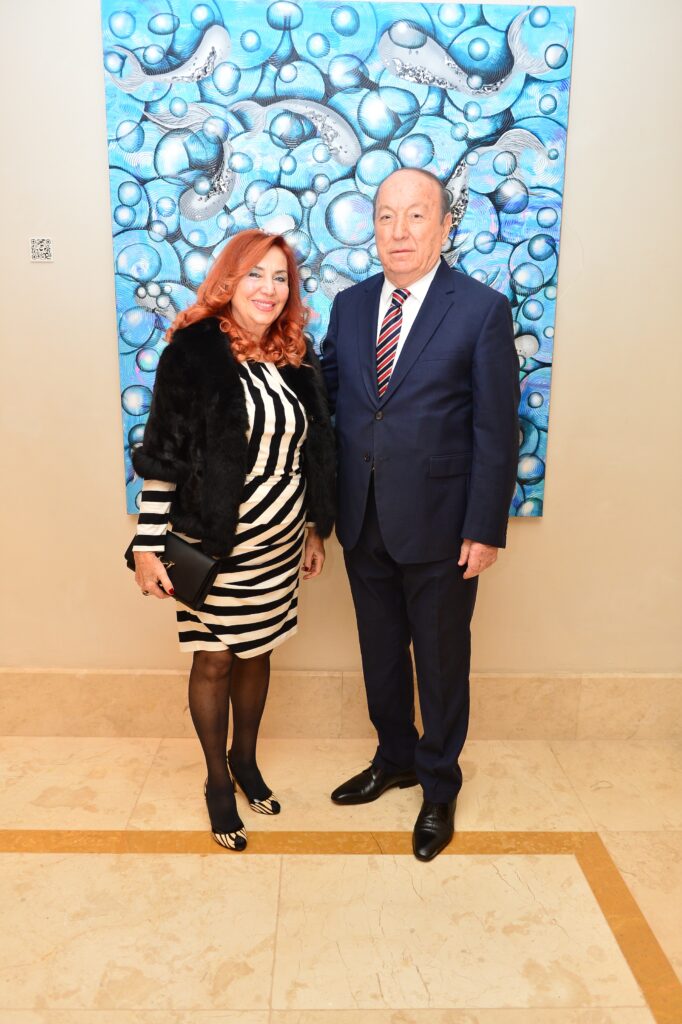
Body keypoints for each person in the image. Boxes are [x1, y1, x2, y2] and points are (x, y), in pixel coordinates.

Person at [321, 168, 519, 861]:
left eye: (415, 216)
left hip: (442, 523)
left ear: (444, 225)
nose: (399, 231)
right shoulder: (349, 306)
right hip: (363, 516)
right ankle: (395, 758)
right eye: (386, 216)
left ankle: (438, 785)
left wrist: (484, 526)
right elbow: (327, 398)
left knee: (439, 662)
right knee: (379, 655)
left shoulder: (481, 309)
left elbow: (498, 429)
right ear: (372, 227)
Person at [131, 229, 335, 850]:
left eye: (280, 278)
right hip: (218, 542)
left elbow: (312, 454)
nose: (269, 289)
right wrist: (146, 545)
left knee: (258, 651)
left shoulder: (296, 355)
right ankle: (218, 781)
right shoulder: (193, 351)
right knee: (215, 658)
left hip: (281, 542)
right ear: (229, 280)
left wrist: (314, 529)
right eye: (255, 275)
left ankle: (245, 760)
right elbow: (164, 457)